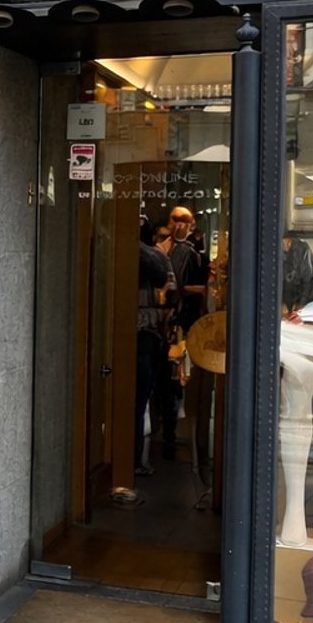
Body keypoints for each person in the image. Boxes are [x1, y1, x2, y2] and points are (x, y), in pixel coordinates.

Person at [122, 215, 176, 502]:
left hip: (117, 332)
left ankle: (121, 459)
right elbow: (172, 294)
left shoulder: (115, 249)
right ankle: (136, 460)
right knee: (141, 398)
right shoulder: (157, 256)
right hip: (149, 334)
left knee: (122, 399)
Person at [153, 205, 207, 457]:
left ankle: (169, 433)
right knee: (166, 379)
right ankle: (165, 432)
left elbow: (192, 288)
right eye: (176, 220)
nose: (179, 225)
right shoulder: (161, 249)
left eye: (184, 221)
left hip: (178, 322)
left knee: (173, 380)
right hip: (165, 321)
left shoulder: (190, 253)